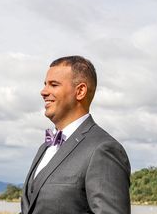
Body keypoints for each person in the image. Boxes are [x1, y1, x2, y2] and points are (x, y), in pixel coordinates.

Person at [21, 56, 131, 214]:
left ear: (80, 91)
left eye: (54, 84)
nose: (43, 92)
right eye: (45, 84)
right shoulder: (45, 147)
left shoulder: (103, 149)